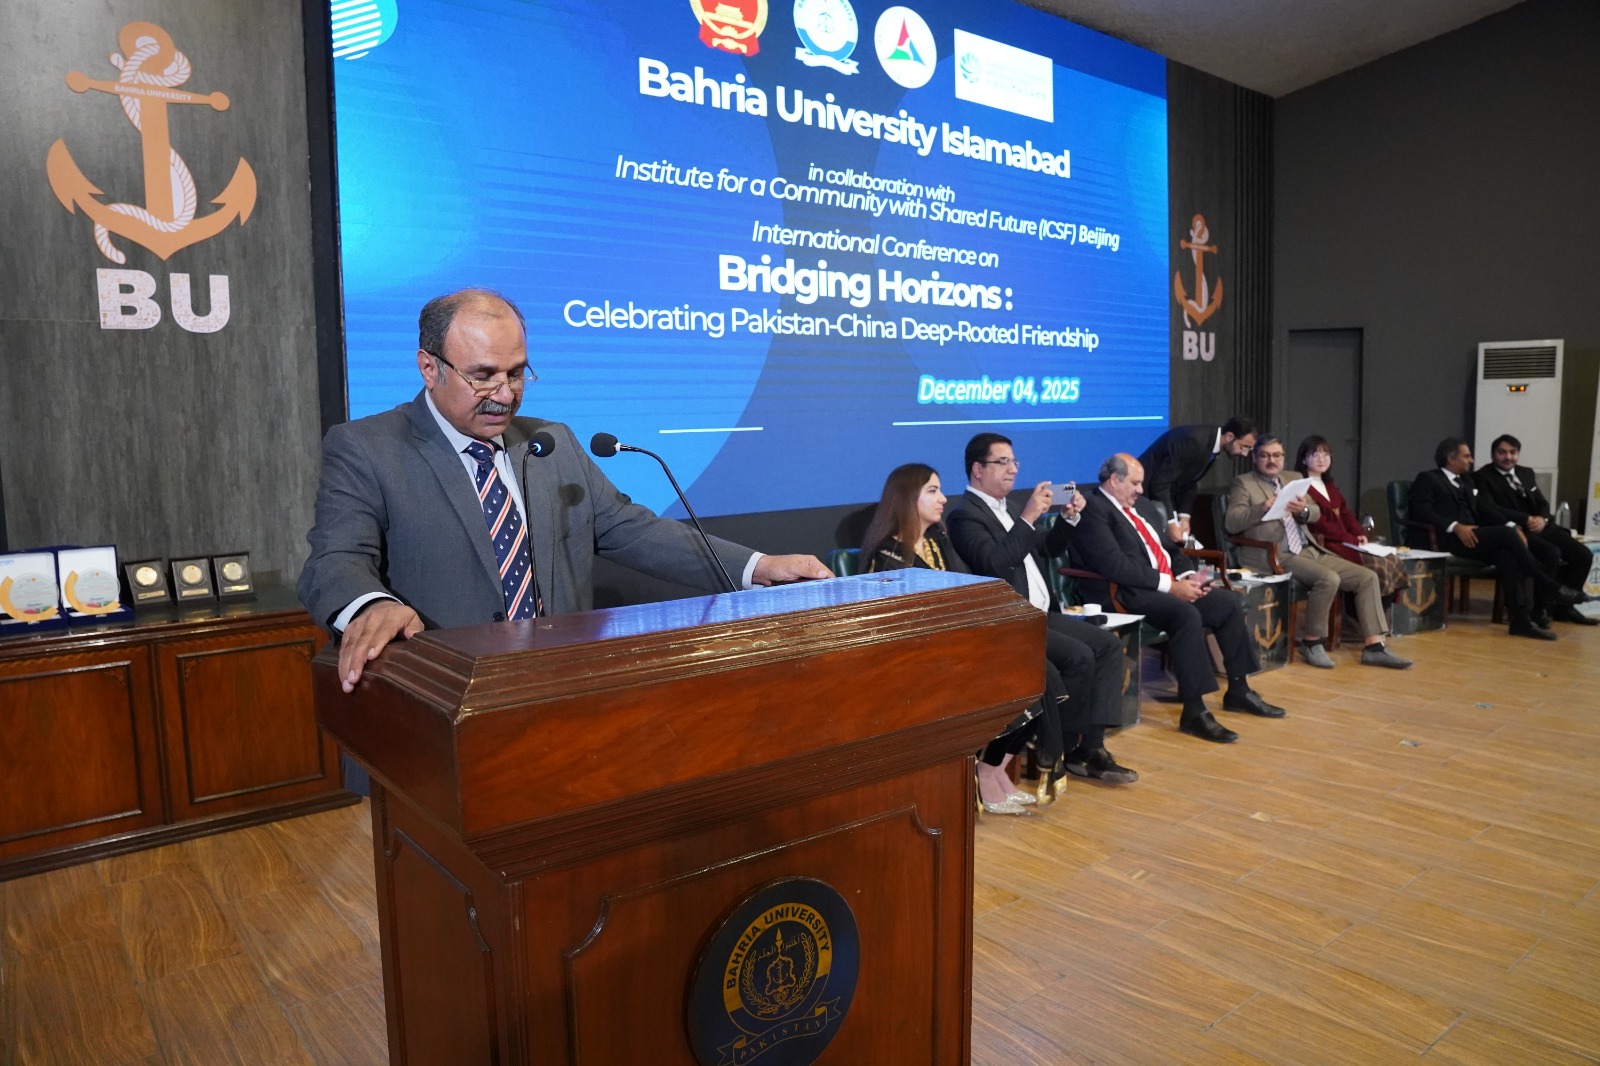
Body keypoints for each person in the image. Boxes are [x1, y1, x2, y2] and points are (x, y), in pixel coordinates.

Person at [298, 288, 832, 695]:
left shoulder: (553, 442)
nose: (504, 394)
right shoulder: (368, 447)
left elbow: (633, 530)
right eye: (483, 376)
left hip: (559, 692)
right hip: (441, 698)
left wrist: (756, 567)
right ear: (429, 367)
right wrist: (371, 605)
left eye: (517, 373)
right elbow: (335, 559)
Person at [946, 433, 1138, 791]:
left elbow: (1047, 550)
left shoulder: (1009, 508)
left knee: (1109, 647)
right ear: (977, 469)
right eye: (1002, 462)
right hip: (1013, 624)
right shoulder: (964, 516)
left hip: (1042, 614)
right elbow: (994, 564)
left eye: (1014, 462)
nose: (1013, 469)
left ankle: (1090, 747)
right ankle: (1056, 746)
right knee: (1079, 657)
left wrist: (1067, 519)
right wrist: (1030, 516)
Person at [861, 463, 1040, 815]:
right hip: (917, 662)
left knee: (1034, 684)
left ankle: (992, 771)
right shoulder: (886, 556)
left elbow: (967, 589)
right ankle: (985, 777)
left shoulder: (937, 541)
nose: (943, 498)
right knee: (1014, 686)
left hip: (955, 648)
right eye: (932, 491)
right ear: (906, 498)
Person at [1071, 453, 1286, 744]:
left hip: (1162, 585)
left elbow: (1170, 551)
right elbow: (1115, 566)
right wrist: (1171, 587)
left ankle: (1239, 689)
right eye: (1135, 483)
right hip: (1125, 591)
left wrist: (1188, 576)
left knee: (1228, 604)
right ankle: (1195, 712)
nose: (1141, 490)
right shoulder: (1093, 509)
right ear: (1113, 480)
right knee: (1186, 614)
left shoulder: (1142, 507)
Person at [1226, 436, 1411, 669]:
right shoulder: (1243, 483)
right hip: (1276, 553)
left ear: (1283, 457)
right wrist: (1262, 507)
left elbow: (1315, 512)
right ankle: (1312, 642)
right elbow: (1232, 522)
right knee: (1328, 578)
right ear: (1255, 457)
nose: (1271, 460)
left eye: (1277, 455)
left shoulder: (1294, 478)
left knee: (1367, 577)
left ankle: (1374, 647)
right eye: (1265, 455)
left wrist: (1303, 510)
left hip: (1309, 548)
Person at [1406, 438, 1592, 640]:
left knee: (1508, 556)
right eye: (1466, 456)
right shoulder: (1428, 478)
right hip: (1445, 538)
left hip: (1472, 536)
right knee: (1507, 535)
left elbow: (1485, 510)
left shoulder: (1466, 481)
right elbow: (1420, 511)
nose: (1471, 460)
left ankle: (1520, 621)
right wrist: (1455, 526)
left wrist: (1511, 526)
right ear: (1451, 459)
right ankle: (1548, 585)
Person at [1473, 433, 1596, 626]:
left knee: (1583, 554)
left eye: (1513, 452)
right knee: (1551, 553)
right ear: (1493, 454)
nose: (1508, 457)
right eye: (1502, 452)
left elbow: (1541, 502)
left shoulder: (1525, 473)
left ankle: (1565, 608)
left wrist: (1543, 518)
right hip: (1514, 529)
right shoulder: (1482, 477)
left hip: (1540, 526)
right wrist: (1526, 519)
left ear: (1518, 454)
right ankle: (1540, 609)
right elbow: (1491, 509)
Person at [1294, 435, 1410, 601]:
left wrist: (1359, 533)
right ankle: (1361, 611)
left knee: (1393, 560)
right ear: (1304, 459)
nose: (1322, 459)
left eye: (1326, 454)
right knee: (1378, 566)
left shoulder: (1329, 485)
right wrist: (1349, 539)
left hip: (1347, 540)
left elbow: (1345, 513)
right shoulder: (1302, 487)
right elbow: (1319, 524)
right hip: (1328, 544)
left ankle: (1385, 610)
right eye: (1315, 455)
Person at [1136, 416, 1259, 518]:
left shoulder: (1210, 442)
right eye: (1244, 447)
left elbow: (1190, 481)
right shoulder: (1194, 442)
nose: (1245, 454)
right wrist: (1171, 521)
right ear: (1229, 437)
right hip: (1141, 497)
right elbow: (1160, 484)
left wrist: (1184, 516)